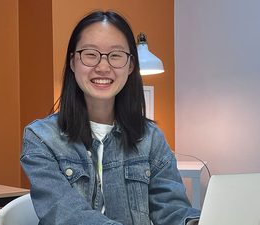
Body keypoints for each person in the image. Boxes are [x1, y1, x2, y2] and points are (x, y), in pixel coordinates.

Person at [20, 10, 200, 225]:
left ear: (130, 66)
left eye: (115, 55)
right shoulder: (41, 138)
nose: (103, 67)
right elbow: (66, 214)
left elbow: (172, 210)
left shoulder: (150, 138)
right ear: (72, 62)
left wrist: (195, 222)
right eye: (90, 54)